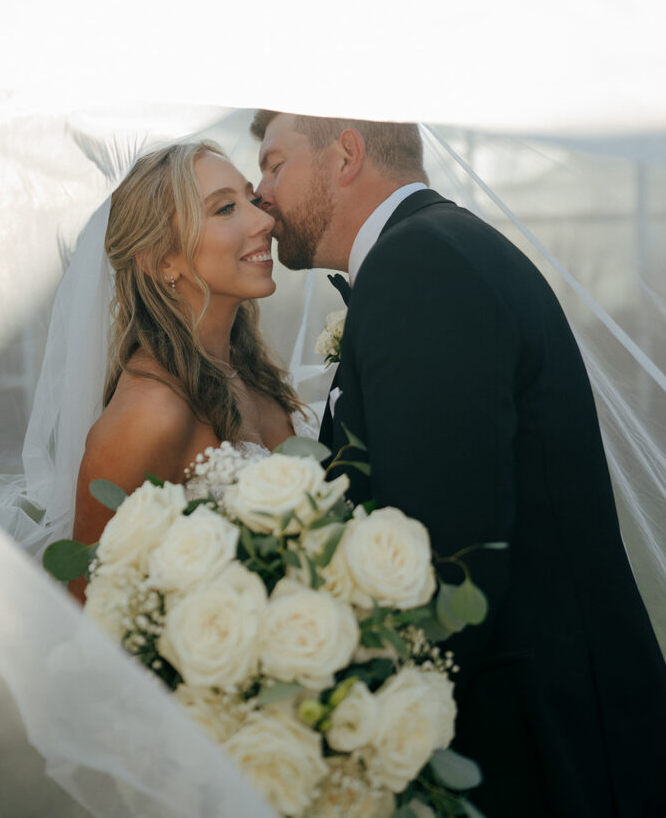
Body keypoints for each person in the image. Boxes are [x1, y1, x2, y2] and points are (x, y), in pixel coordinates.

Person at [252, 109, 666, 818]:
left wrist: (366, 742)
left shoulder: (422, 266)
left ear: (344, 155)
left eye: (273, 163)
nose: (262, 192)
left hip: (533, 749)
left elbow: (447, 552)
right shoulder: (441, 246)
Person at [71, 139, 308, 593]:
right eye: (224, 209)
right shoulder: (150, 414)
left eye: (252, 200)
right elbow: (89, 606)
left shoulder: (247, 370)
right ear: (161, 258)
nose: (264, 220)